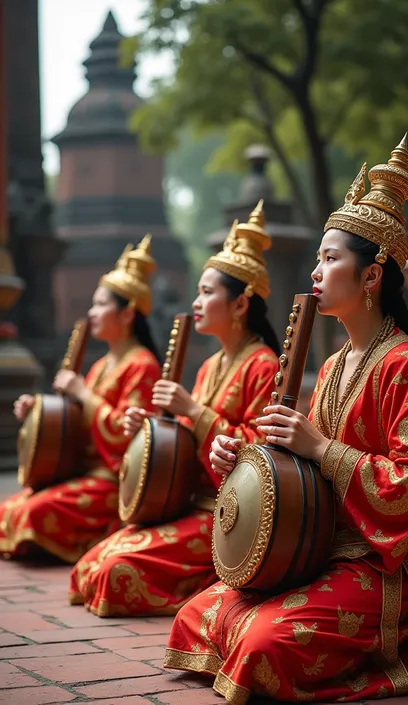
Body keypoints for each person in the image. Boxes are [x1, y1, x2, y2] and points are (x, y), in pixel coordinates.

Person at [164, 137, 408, 703]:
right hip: (318, 545)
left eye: (332, 259)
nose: (317, 270)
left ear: (372, 276)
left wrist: (323, 449)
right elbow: (294, 469)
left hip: (386, 564)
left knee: (260, 646)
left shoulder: (404, 365)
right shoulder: (331, 364)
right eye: (319, 257)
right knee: (196, 616)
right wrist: (240, 458)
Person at [69, 202, 281, 618]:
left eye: (207, 292)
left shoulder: (265, 366)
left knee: (115, 570)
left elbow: (265, 455)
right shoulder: (208, 367)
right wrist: (149, 427)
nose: (196, 303)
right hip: (191, 501)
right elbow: (183, 441)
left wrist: (193, 410)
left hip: (232, 513)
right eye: (198, 292)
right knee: (91, 564)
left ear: (240, 305)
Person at [0, 235, 161, 564]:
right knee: (9, 509)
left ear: (128, 313)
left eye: (101, 304)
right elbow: (75, 420)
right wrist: (38, 411)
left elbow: (125, 437)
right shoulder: (102, 365)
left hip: (112, 480)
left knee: (33, 512)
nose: (92, 313)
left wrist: (83, 394)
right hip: (83, 473)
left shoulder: (143, 365)